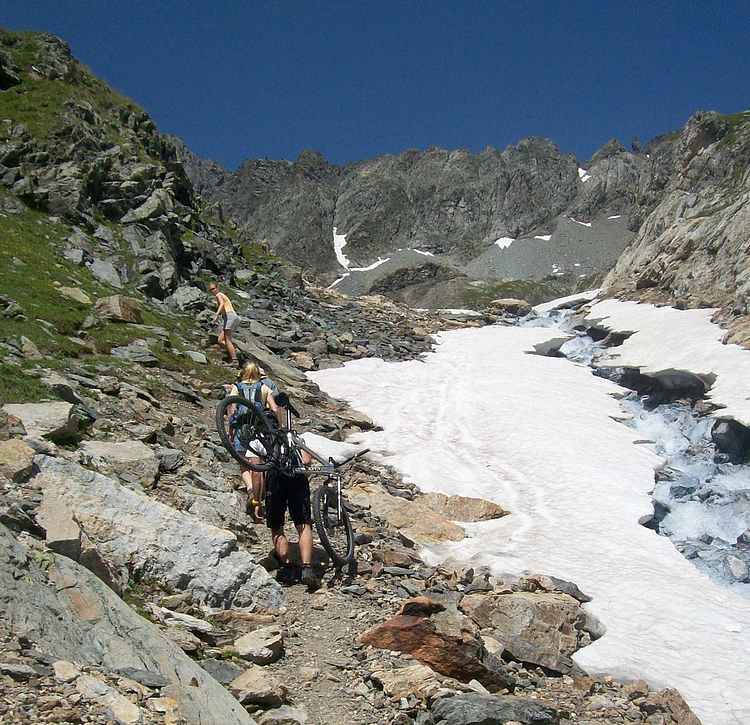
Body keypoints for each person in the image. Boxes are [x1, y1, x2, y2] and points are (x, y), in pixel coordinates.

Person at [228, 362, 279, 521]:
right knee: (259, 465)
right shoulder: (264, 388)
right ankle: (259, 501)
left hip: (242, 428)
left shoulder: (236, 388)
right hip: (259, 429)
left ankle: (250, 489)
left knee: (244, 462)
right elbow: (275, 409)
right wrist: (278, 427)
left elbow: (232, 409)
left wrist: (230, 429)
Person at [209, 282, 239, 365]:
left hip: (229, 316)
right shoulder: (222, 295)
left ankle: (234, 360)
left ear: (217, 288)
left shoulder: (218, 295)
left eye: (213, 289)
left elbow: (222, 304)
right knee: (220, 340)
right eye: (210, 290)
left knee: (227, 339)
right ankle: (234, 351)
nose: (212, 291)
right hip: (232, 317)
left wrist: (216, 315)